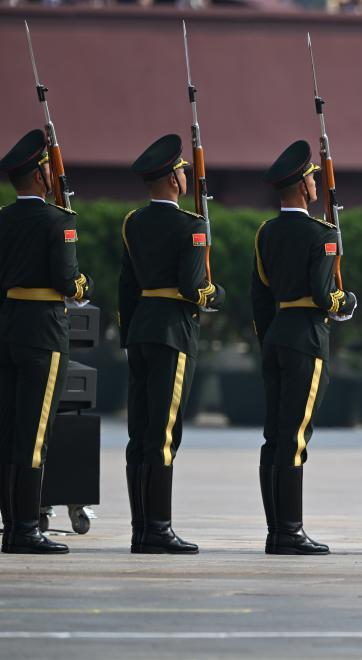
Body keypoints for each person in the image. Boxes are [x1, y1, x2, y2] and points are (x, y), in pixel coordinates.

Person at [0, 129, 92, 554]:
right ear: (39, 174)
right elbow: (68, 282)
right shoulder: (58, 221)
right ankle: (27, 529)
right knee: (34, 433)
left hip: (9, 329)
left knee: (10, 431)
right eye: (48, 167)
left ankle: (14, 525)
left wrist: (5, 324)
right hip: (44, 332)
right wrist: (83, 285)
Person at [119, 134, 224, 554]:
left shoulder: (133, 222)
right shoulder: (191, 226)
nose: (185, 176)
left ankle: (141, 526)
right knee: (163, 432)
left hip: (142, 329)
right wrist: (215, 295)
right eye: (181, 171)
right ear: (174, 181)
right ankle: (158, 529)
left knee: (139, 432)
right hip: (173, 333)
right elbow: (193, 287)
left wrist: (129, 332)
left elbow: (127, 284)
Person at [251, 140, 357, 555]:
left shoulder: (267, 231)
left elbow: (259, 295)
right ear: (303, 187)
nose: (316, 183)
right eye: (312, 178)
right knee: (294, 436)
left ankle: (277, 529)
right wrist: (344, 303)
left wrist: (268, 338)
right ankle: (289, 532)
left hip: (277, 334)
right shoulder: (322, 233)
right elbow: (321, 293)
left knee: (274, 436)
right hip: (306, 338)